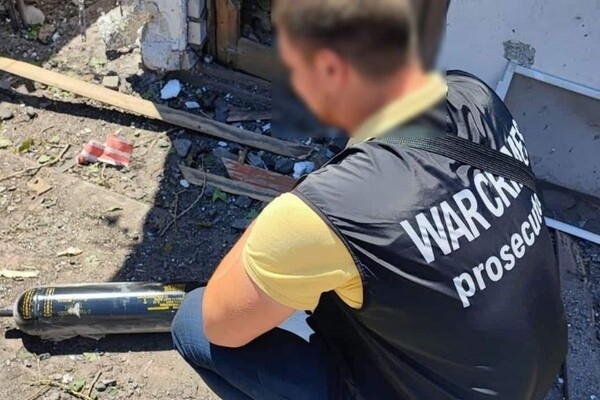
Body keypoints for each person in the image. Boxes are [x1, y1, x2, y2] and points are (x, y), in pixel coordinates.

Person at [171, 1, 568, 399]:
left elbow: (219, 324)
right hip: (529, 375)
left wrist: (283, 221)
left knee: (192, 324)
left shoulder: (326, 210)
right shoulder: (478, 96)